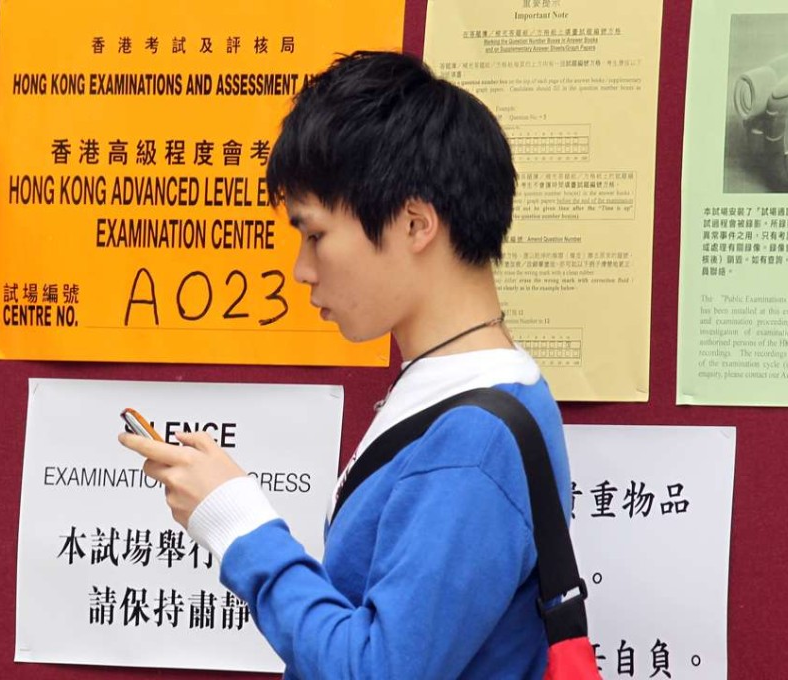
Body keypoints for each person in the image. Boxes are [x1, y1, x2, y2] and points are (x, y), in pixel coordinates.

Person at [119, 50, 572, 679]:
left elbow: (375, 669)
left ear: (415, 223)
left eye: (315, 234)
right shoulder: (461, 391)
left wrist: (238, 523)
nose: (302, 270)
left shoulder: (474, 437)